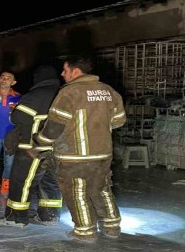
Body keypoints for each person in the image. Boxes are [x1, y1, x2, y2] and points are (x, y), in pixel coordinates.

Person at [30, 56, 126, 239]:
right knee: (102, 188)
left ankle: (85, 231)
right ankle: (112, 226)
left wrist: (39, 143)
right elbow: (119, 120)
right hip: (102, 153)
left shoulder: (69, 93)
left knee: (77, 191)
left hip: (74, 155)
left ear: (75, 71)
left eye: (65, 70)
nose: (62, 74)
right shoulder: (108, 91)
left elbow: (54, 127)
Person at [0, 65, 62, 227]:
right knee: (50, 182)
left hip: (31, 147)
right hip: (56, 148)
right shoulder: (62, 95)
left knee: (22, 182)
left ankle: (16, 217)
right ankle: (49, 216)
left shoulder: (35, 96)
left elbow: (18, 118)